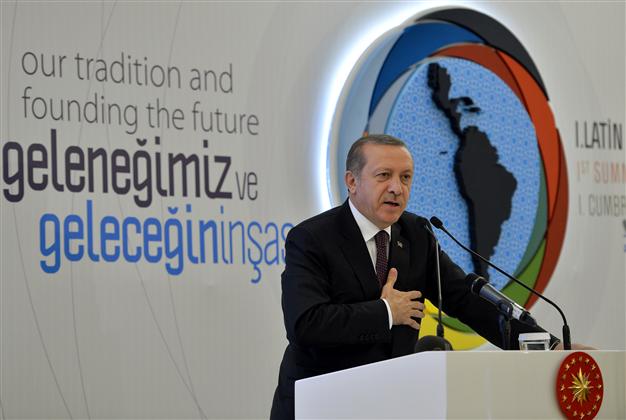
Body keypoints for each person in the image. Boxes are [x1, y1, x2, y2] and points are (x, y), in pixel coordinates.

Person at [270, 134, 560, 419]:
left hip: (391, 405)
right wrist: (386, 312)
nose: (397, 188)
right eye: (384, 175)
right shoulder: (312, 238)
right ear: (352, 181)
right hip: (321, 405)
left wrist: (552, 348)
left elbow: (466, 299)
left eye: (406, 177)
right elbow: (305, 324)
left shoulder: (417, 234)